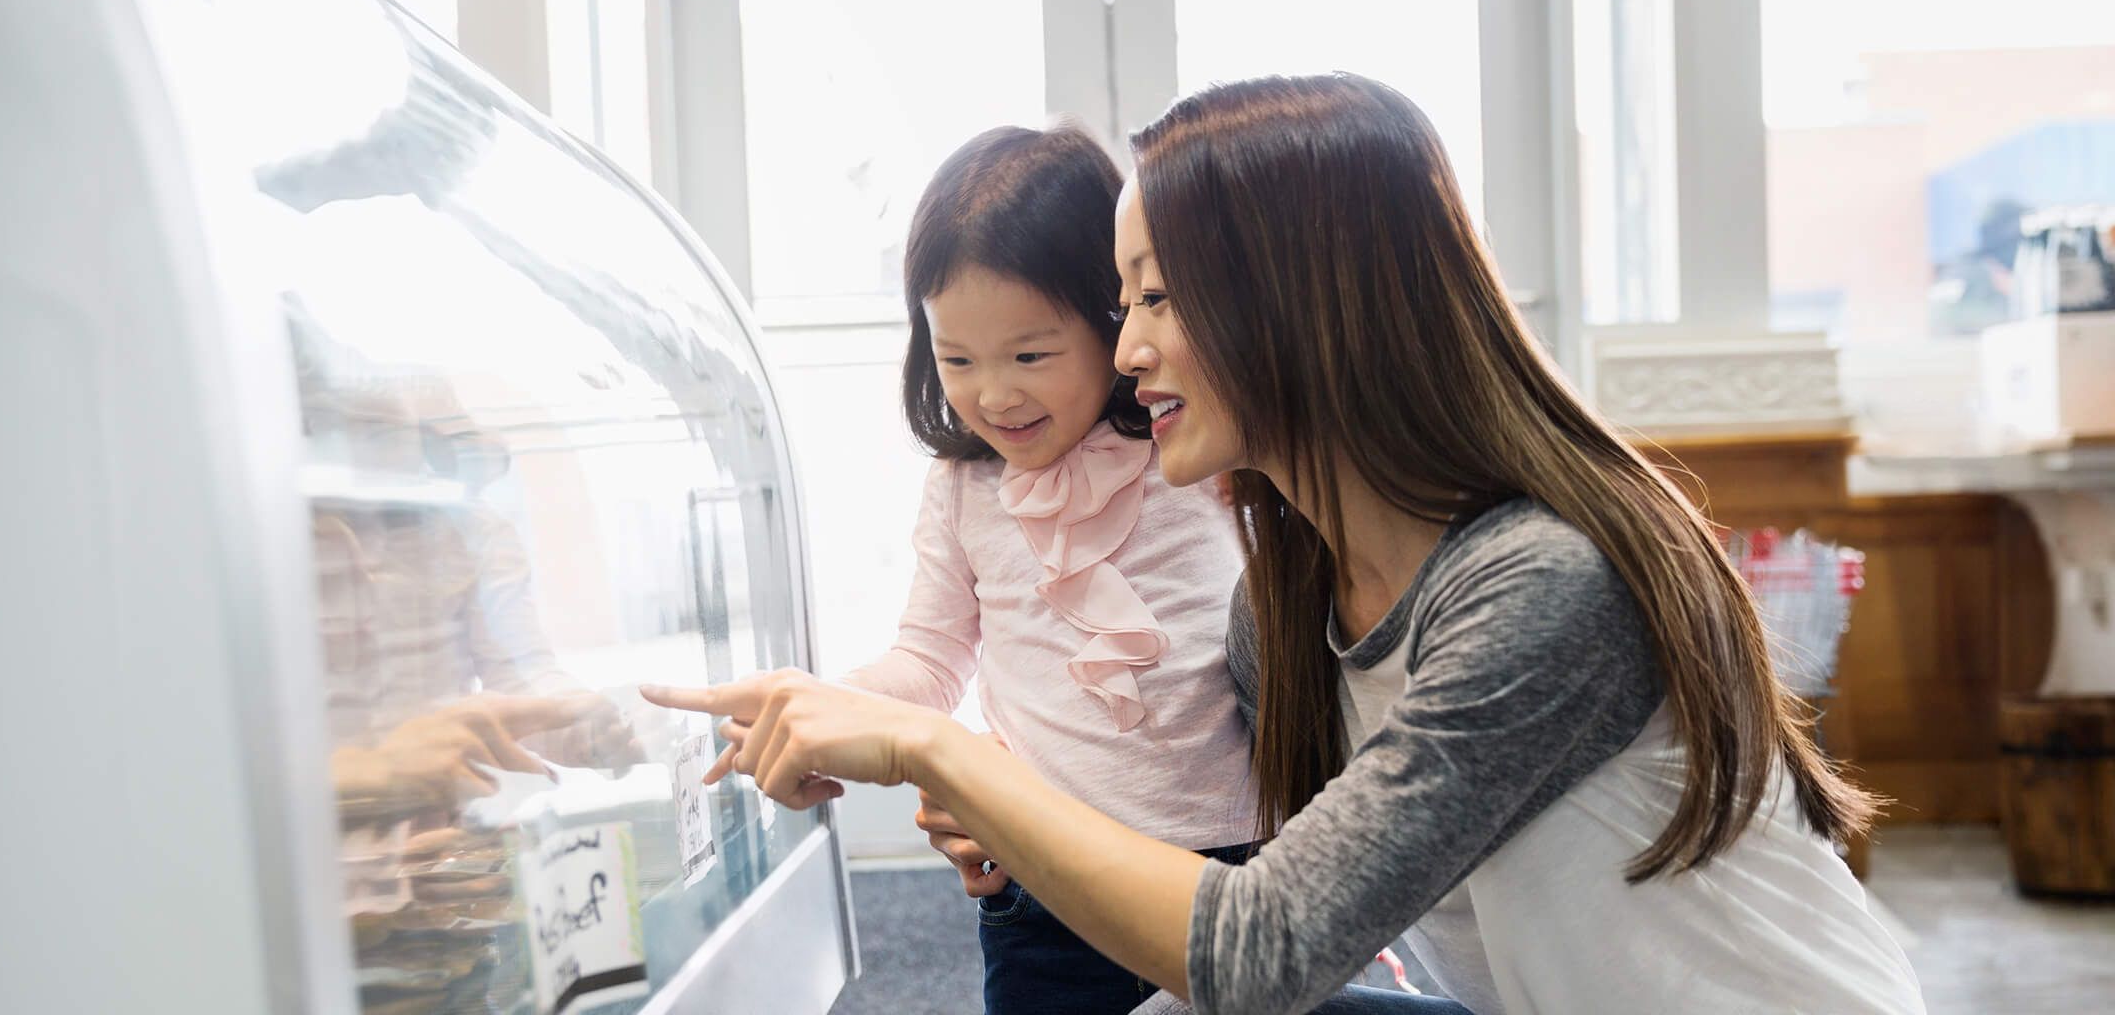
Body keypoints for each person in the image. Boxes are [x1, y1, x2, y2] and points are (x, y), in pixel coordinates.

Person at [648, 75, 1925, 1015]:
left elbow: (1263, 948)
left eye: (1154, 296)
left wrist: (948, 755)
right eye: (1124, 298)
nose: (1128, 347)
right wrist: (1014, 814)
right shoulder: (1285, 607)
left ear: (1299, 301)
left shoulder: (1544, 583)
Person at [836, 123, 1260, 1014]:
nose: (993, 394)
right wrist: (829, 707)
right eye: (957, 359)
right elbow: (929, 658)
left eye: (1030, 355)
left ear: (1114, 318)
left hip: (1227, 870)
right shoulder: (963, 491)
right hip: (1044, 884)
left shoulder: (1191, 448)